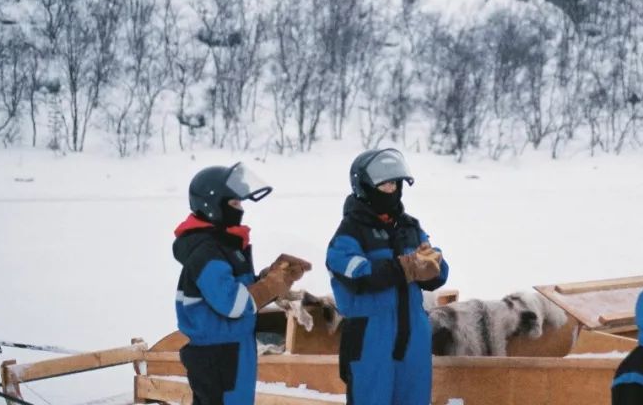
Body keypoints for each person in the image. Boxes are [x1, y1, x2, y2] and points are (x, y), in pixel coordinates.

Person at [173, 163, 311, 405]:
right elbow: (233, 304)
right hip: (217, 355)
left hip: (233, 348)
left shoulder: (226, 246)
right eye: (235, 204)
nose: (240, 210)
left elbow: (242, 294)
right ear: (212, 205)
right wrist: (269, 285)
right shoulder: (207, 253)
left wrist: (273, 277)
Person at [326, 148, 448, 405]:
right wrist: (405, 267)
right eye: (384, 184)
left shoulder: (410, 227)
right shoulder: (349, 234)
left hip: (414, 336)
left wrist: (433, 264)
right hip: (371, 338)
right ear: (365, 187)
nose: (392, 190)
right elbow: (359, 277)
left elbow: (437, 275)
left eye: (395, 183)